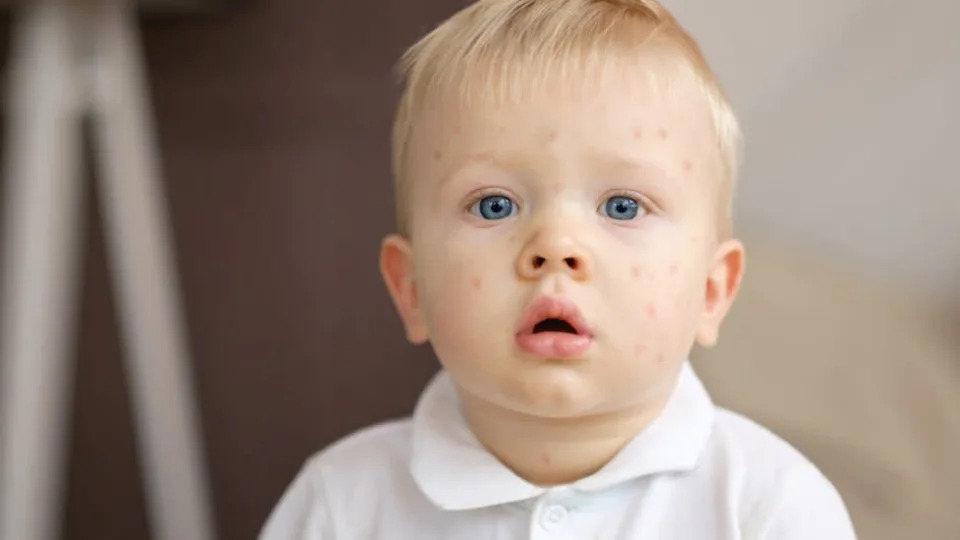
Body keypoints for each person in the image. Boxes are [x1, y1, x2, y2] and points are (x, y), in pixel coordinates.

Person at [260, 0, 857, 537]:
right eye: (494, 205)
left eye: (622, 206)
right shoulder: (340, 505)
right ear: (411, 288)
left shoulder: (768, 507)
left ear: (711, 291)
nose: (555, 246)